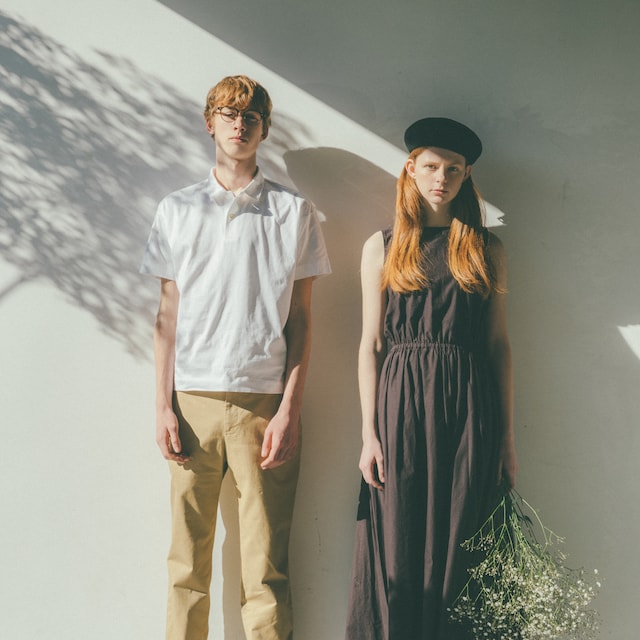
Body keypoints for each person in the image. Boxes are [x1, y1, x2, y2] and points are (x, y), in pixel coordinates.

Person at [140, 75, 331, 640]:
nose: (240, 124)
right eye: (228, 114)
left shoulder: (294, 212)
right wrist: (163, 406)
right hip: (191, 401)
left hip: (264, 406)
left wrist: (290, 409)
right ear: (210, 123)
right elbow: (166, 317)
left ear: (264, 128)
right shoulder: (177, 209)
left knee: (266, 570)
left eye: (251, 116)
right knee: (186, 566)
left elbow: (301, 319)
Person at [345, 117, 518, 640]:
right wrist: (368, 434)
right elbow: (371, 344)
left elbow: (498, 346)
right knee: (397, 538)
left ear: (467, 176)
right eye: (432, 166)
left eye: (454, 169)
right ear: (411, 168)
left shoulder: (486, 249)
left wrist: (506, 439)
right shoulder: (383, 246)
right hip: (399, 409)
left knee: (463, 540)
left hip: (469, 409)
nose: (441, 178)